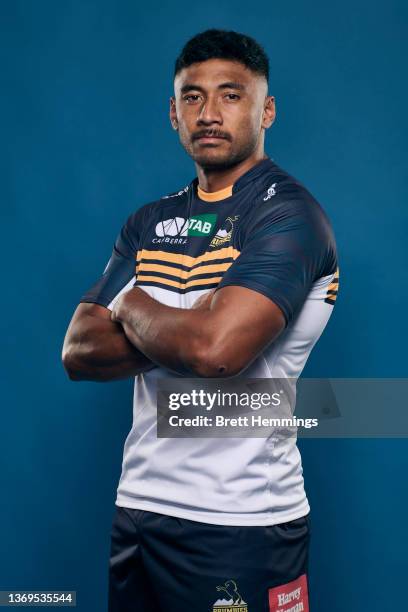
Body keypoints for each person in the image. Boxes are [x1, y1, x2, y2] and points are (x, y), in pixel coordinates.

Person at [62, 28, 339, 612]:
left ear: (267, 110)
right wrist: (186, 328)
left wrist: (130, 306)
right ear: (173, 112)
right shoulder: (149, 220)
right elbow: (80, 352)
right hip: (138, 510)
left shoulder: (291, 216)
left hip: (243, 523)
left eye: (231, 95)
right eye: (192, 97)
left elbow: (216, 352)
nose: (209, 113)